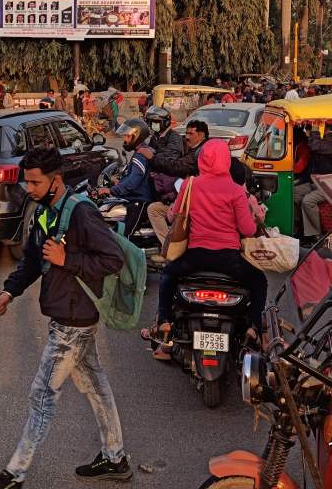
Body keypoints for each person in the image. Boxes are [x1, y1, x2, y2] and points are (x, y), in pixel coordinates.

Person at [0, 147, 130, 488]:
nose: (29, 189)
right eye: (27, 182)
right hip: (67, 314)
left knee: (42, 396)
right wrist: (10, 290)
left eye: (35, 182)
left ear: (56, 180)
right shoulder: (44, 212)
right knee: (97, 386)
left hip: (74, 322)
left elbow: (113, 260)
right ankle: (116, 458)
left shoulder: (82, 214)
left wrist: (70, 260)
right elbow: (35, 260)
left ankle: (15, 474)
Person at [145, 140, 268, 358]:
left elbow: (173, 216)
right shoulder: (235, 190)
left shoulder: (190, 185)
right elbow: (248, 229)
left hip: (195, 256)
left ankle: (164, 322)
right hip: (229, 259)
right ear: (225, 161)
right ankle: (254, 328)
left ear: (202, 159)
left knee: (168, 275)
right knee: (259, 281)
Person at [142, 117, 209, 265]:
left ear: (201, 135)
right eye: (187, 133)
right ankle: (169, 248)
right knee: (155, 208)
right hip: (185, 198)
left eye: (191, 134)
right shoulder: (192, 150)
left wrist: (153, 158)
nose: (187, 137)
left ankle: (174, 252)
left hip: (192, 204)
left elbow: (176, 167)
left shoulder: (198, 154)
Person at [97, 118, 153, 233]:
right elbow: (130, 176)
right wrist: (118, 182)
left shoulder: (141, 155)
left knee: (126, 235)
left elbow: (133, 181)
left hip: (140, 200)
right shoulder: (139, 152)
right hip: (133, 197)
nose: (125, 139)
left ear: (136, 136)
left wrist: (111, 190)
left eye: (127, 136)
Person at [299, 127, 332, 240]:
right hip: (319, 182)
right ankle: (300, 229)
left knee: (308, 201)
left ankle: (316, 235)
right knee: (294, 193)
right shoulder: (327, 140)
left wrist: (315, 130)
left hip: (331, 184)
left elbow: (315, 146)